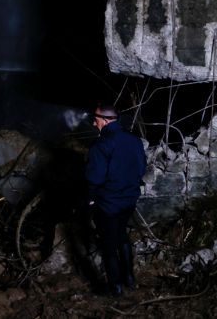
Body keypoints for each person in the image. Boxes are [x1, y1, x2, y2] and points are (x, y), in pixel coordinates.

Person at [85, 102, 147, 296]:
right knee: (122, 236)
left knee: (108, 245)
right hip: (129, 201)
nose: (94, 124)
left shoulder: (101, 145)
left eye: (95, 119)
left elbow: (94, 178)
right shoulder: (134, 140)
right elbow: (141, 169)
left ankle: (115, 288)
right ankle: (129, 278)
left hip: (108, 204)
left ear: (105, 120)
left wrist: (90, 198)